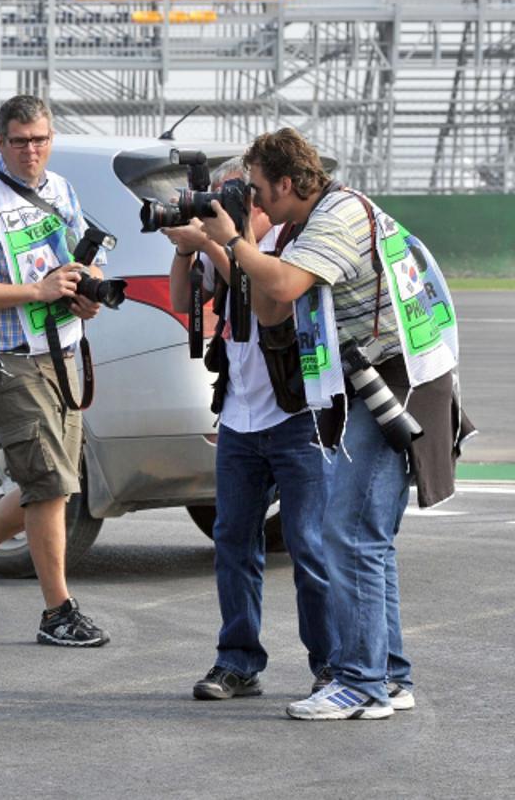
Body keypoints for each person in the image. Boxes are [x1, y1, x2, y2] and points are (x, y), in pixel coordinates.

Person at [196, 127, 471, 720]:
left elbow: (288, 284)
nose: (258, 201)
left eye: (262, 190)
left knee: (349, 534)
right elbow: (273, 307)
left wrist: (235, 243)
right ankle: (389, 677)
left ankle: (362, 682)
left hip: (395, 383)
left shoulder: (337, 216)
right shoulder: (303, 224)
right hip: (377, 384)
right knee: (366, 538)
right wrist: (238, 245)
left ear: (290, 182)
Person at [0, 94, 111, 648]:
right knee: (51, 483)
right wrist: (36, 291)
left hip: (60, 351)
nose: (31, 151)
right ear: (0, 143)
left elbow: (82, 259)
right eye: (19, 141)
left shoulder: (60, 189)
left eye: (40, 140)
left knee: (49, 482)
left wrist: (87, 290)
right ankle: (58, 610)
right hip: (5, 359)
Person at [161, 158, 334, 701]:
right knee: (233, 540)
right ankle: (237, 661)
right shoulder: (229, 245)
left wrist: (222, 243)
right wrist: (185, 249)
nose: (216, 213)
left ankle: (331, 665)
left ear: (255, 205)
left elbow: (272, 304)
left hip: (295, 418)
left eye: (231, 202)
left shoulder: (290, 244)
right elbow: (179, 302)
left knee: (309, 546)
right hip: (239, 418)